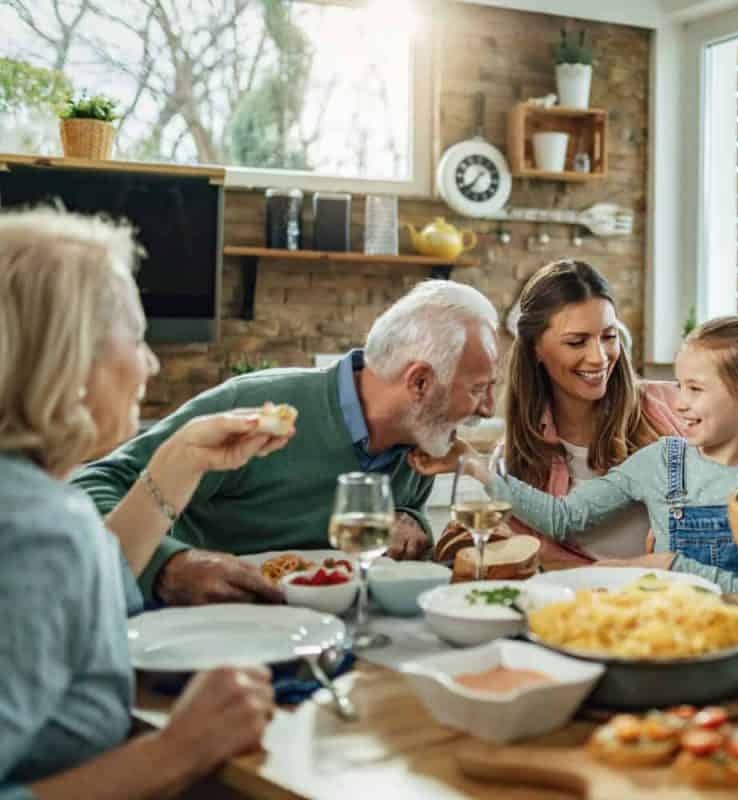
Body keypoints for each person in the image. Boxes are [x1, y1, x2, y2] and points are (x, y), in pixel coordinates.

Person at [0, 208, 277, 799]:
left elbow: (83, 593)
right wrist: (176, 752)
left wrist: (181, 460)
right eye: (136, 336)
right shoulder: (37, 529)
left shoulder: (27, 502)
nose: (150, 364)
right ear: (69, 356)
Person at [73, 279, 500, 606]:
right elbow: (89, 489)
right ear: (419, 381)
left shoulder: (422, 440)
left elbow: (402, 526)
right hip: (194, 630)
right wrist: (168, 565)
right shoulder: (257, 406)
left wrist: (412, 526)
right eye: (480, 389)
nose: (488, 409)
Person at [415, 315, 738, 599]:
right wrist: (476, 467)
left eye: (695, 390)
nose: (680, 404)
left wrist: (668, 564)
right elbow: (563, 517)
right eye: (680, 387)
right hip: (656, 630)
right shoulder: (663, 461)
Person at [502, 259, 684, 563]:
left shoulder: (676, 406)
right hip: (580, 603)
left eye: (609, 337)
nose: (599, 357)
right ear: (535, 348)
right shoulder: (516, 458)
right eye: (577, 342)